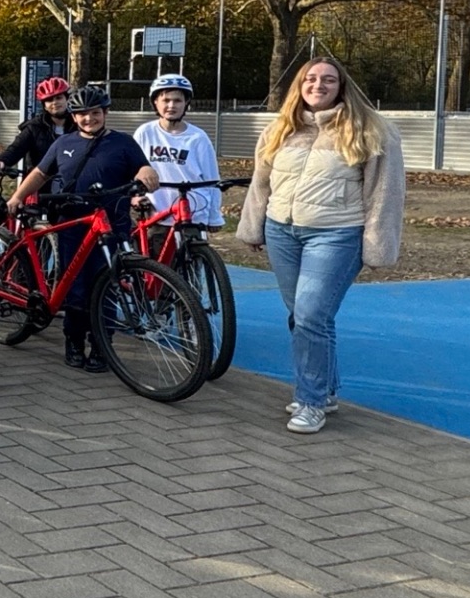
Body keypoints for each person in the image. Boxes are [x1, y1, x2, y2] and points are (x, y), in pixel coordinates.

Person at [236, 57, 405, 435]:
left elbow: (385, 193)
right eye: (311, 78)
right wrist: (254, 227)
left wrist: (378, 245)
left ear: (342, 86)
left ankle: (310, 402)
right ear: (299, 85)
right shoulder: (280, 129)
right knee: (304, 316)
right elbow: (262, 182)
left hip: (336, 234)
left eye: (328, 79)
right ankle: (325, 389)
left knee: (311, 314)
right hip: (283, 231)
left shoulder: (371, 131)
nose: (318, 84)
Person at [6, 84, 157, 373]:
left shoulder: (123, 143)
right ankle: (73, 341)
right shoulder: (63, 144)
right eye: (83, 114)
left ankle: (102, 344)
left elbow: (141, 167)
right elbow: (40, 173)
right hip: (73, 223)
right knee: (74, 286)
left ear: (105, 113)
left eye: (95, 113)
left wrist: (147, 172)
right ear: (74, 117)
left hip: (112, 224)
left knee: (107, 285)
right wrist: (17, 198)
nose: (89, 119)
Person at [132, 73, 224, 229]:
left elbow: (211, 178)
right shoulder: (145, 132)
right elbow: (132, 169)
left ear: (186, 103)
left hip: (192, 213)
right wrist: (134, 197)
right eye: (166, 100)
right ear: (155, 102)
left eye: (177, 100)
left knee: (193, 251)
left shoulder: (198, 137)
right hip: (157, 213)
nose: (171, 106)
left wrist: (214, 217)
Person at [0, 76, 76, 170]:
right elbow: (15, 149)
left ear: (67, 99)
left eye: (59, 98)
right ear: (44, 106)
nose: (54, 102)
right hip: (40, 181)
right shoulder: (34, 127)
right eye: (49, 100)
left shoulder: (78, 125)